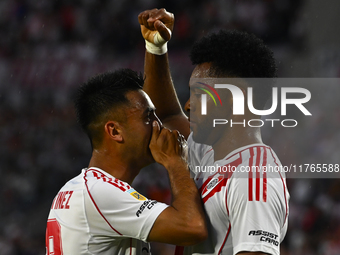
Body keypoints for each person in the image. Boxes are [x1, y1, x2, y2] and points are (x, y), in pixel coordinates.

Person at [138, 8, 289, 255]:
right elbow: (165, 115)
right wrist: (156, 48)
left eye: (198, 93)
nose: (188, 104)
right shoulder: (210, 152)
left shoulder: (253, 177)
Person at [45, 68, 208, 254]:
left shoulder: (81, 189)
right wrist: (176, 162)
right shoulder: (99, 193)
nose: (159, 125)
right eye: (148, 117)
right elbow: (192, 227)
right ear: (114, 131)